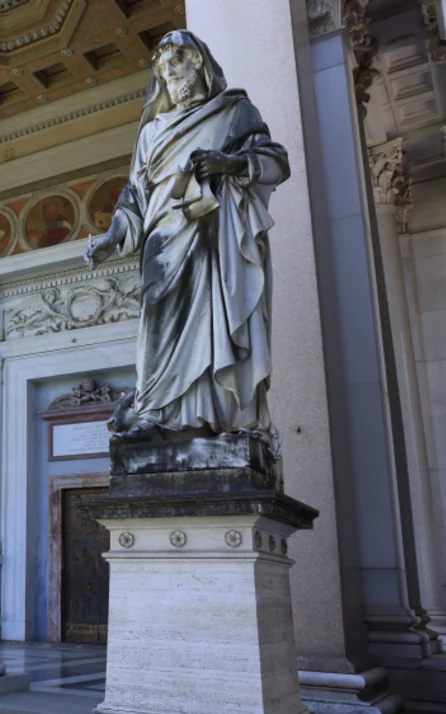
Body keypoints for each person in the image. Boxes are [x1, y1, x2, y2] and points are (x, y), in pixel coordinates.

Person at [85, 30, 288, 441]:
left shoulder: (234, 112)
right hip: (162, 245)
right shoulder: (151, 131)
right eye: (160, 69)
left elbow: (275, 161)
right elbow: (135, 195)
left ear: (196, 62)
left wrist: (228, 163)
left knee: (216, 324)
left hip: (215, 239)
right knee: (159, 330)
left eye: (173, 63)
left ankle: (219, 418)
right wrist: (113, 236)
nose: (166, 75)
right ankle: (158, 414)